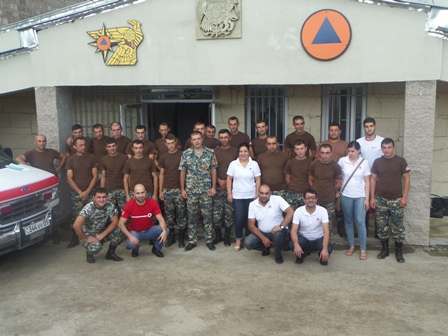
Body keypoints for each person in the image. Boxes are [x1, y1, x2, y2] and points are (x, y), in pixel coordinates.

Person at [371, 138, 410, 263]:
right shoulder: (377, 162)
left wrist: (404, 197)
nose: (386, 150)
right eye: (384, 148)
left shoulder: (401, 161)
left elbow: (406, 179)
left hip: (396, 200)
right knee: (382, 227)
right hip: (381, 199)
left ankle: (399, 252)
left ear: (393, 148)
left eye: (389, 147)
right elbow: (373, 180)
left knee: (398, 227)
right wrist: (372, 197)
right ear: (381, 149)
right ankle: (385, 250)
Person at [179, 131, 217, 251]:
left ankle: (209, 240)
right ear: (191, 140)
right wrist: (182, 189)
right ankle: (192, 240)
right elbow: (183, 172)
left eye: (198, 138)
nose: (196, 141)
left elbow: (213, 170)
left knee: (207, 216)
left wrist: (213, 187)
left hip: (206, 190)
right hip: (191, 191)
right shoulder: (186, 154)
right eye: (194, 139)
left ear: (202, 139)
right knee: (192, 217)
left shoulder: (210, 153)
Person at [338, 141, 371, 260]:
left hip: (360, 196)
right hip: (346, 195)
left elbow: (367, 181)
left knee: (360, 221)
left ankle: (363, 248)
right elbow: (339, 177)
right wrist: (338, 189)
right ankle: (351, 245)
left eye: (353, 151)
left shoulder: (364, 162)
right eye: (349, 151)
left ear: (358, 151)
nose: (350, 153)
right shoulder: (342, 161)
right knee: (348, 221)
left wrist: (367, 199)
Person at [72, 188, 124, 263]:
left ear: (107, 197)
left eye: (104, 197)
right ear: (93, 198)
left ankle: (110, 253)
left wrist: (102, 235)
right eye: (99, 197)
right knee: (96, 248)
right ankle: (90, 254)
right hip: (89, 234)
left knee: (120, 231)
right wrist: (84, 238)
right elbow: (76, 225)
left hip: (101, 231)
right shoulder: (88, 208)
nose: (102, 200)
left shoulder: (110, 206)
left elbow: (115, 222)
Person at [245, 185, 294, 264]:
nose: (264, 195)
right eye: (261, 193)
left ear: (270, 193)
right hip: (263, 232)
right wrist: (263, 238)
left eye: (266, 193)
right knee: (248, 242)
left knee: (278, 236)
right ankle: (266, 247)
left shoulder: (277, 199)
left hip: (278, 231)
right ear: (258, 193)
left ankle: (277, 254)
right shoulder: (252, 204)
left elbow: (290, 211)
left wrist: (281, 226)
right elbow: (251, 225)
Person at [118, 184, 169, 258]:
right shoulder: (129, 205)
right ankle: (135, 248)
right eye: (138, 193)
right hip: (135, 233)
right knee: (130, 244)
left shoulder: (152, 202)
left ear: (146, 192)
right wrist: (130, 236)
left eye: (142, 192)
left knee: (166, 230)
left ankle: (156, 249)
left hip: (149, 230)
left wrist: (164, 231)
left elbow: (160, 219)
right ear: (133, 194)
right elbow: (120, 223)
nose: (140, 195)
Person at [227, 143, 261, 250]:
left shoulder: (254, 164)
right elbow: (229, 179)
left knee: (250, 220)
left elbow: (258, 179)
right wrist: (229, 193)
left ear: (248, 152)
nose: (243, 153)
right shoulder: (233, 164)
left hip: (251, 196)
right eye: (241, 151)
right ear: (238, 152)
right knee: (239, 219)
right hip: (237, 197)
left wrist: (257, 194)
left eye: (245, 151)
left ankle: (248, 240)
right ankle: (238, 240)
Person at [66, 136, 98, 248]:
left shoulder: (92, 158)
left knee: (92, 217)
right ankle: (75, 238)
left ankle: (94, 239)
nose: (83, 147)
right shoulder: (70, 159)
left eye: (84, 145)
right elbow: (69, 178)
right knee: (77, 216)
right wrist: (80, 192)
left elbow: (95, 176)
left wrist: (87, 191)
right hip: (76, 194)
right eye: (80, 145)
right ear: (74, 147)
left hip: (90, 192)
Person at [290, 189, 332, 266]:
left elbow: (326, 231)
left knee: (328, 249)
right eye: (308, 198)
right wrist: (296, 245)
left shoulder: (323, 211)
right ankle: (301, 254)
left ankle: (322, 255)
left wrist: (325, 249)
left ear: (316, 199)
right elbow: (293, 230)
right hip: (304, 238)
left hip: (319, 239)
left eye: (313, 198)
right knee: (293, 244)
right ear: (304, 200)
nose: (310, 200)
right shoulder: (298, 211)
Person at [159, 134, 186, 247]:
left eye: (172, 143)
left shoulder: (182, 155)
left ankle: (181, 238)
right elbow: (161, 174)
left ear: (176, 143)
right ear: (165, 144)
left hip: (179, 190)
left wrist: (184, 189)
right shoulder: (163, 156)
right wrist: (160, 190)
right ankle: (171, 237)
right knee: (169, 216)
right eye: (168, 143)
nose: (170, 145)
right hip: (167, 189)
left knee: (181, 215)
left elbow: (185, 172)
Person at [309, 144, 342, 235]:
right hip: (316, 199)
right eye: (322, 153)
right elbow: (310, 178)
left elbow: (339, 181)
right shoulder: (314, 164)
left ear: (331, 153)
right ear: (319, 153)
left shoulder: (335, 166)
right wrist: (313, 190)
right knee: (315, 222)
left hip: (329, 199)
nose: (324, 155)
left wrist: (334, 191)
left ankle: (328, 243)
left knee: (329, 222)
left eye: (327, 153)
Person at [213, 129, 238, 245]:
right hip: (217, 187)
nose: (224, 139)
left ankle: (227, 237)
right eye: (221, 137)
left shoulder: (235, 151)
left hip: (231, 188)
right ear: (219, 138)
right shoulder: (215, 151)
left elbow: (239, 168)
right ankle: (218, 236)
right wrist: (218, 180)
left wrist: (230, 182)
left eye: (226, 137)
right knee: (217, 214)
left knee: (229, 214)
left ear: (230, 138)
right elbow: (212, 168)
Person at [99, 138, 128, 211]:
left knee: (125, 211)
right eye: (109, 146)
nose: (112, 148)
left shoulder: (124, 158)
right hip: (109, 190)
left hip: (122, 189)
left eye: (113, 146)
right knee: (111, 212)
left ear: (117, 146)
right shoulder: (103, 159)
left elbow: (127, 176)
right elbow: (103, 176)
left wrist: (128, 189)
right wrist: (102, 191)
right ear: (106, 148)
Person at [284, 140, 311, 210]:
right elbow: (287, 176)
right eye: (297, 149)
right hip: (292, 192)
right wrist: (291, 186)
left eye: (302, 148)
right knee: (292, 214)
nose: (300, 151)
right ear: (294, 150)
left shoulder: (311, 162)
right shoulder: (290, 162)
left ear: (306, 149)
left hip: (306, 193)